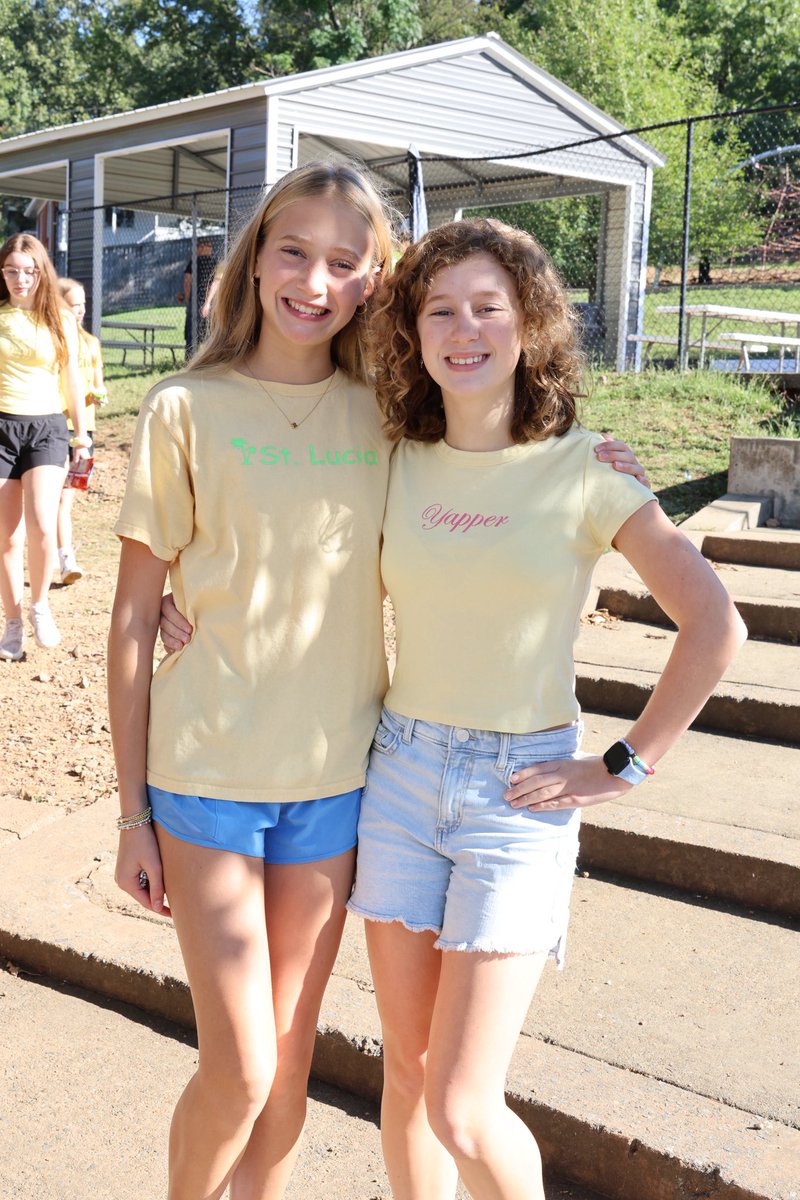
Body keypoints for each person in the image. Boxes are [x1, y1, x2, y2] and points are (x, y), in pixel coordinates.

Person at [117, 161, 646, 1200]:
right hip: (206, 773)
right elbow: (135, 613)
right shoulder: (184, 405)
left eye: (344, 261)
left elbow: (494, 463)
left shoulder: (392, 416)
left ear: (375, 280)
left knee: (290, 1069)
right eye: (293, 250)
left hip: (339, 785)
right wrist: (132, 811)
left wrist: (598, 454)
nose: (314, 279)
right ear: (255, 256)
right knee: (242, 1067)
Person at [344, 218, 748, 1200]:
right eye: (439, 308)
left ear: (527, 325)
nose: (463, 328)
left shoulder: (586, 470)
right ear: (412, 330)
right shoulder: (390, 456)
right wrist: (177, 603)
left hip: (516, 798)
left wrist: (621, 765)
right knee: (405, 1076)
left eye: (488, 306)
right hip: (396, 778)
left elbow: (712, 624)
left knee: (461, 1105)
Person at [0, 234, 90, 661]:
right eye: (12, 270)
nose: (21, 279)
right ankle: (12, 623)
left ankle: (39, 606)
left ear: (41, 272)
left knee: (41, 524)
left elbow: (74, 378)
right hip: (1, 426)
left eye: (29, 271)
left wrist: (82, 433)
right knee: (7, 537)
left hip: (47, 428)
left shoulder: (60, 319)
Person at [56, 277, 107, 585]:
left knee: (67, 499)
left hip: (85, 430)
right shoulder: (55, 341)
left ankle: (61, 553)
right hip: (57, 426)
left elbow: (98, 380)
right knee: (60, 500)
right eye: (73, 305)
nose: (80, 311)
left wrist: (99, 392)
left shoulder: (91, 342)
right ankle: (65, 559)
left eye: (83, 305)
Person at [179, 237, 218, 357]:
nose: (211, 249)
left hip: (195, 302)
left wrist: (187, 298)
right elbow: (215, 283)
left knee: (192, 333)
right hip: (210, 304)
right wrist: (208, 302)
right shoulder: (214, 263)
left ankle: (190, 358)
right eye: (209, 247)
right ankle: (207, 359)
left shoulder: (194, 262)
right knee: (208, 333)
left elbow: (187, 281)